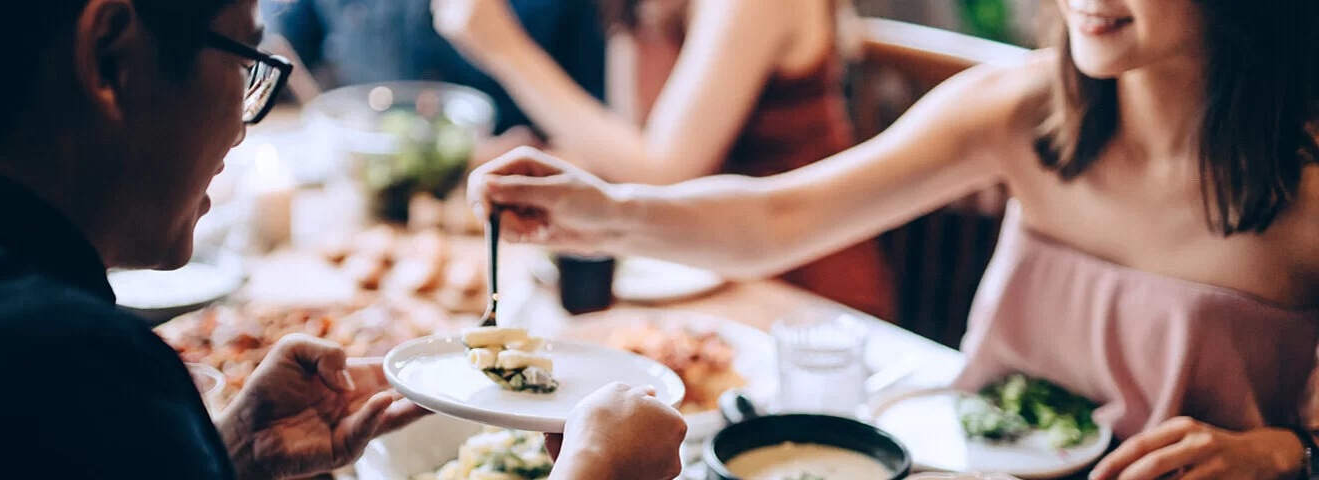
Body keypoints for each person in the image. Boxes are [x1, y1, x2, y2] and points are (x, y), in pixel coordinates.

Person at [468, 0, 1319, 477]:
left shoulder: (1310, 183)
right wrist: (603, 211)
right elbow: (781, 216)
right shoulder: (1018, 108)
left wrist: (1285, 453)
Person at [0, 0, 687, 479]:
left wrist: (224, 457)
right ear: (109, 57)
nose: (242, 121)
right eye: (243, 59)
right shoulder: (67, 373)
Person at [433, 0, 894, 319]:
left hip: (797, 282)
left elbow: (665, 171)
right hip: (697, 259)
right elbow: (632, 147)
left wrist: (504, 49)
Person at [260, 0, 607, 138]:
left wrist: (506, 48)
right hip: (366, 196)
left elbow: (604, 136)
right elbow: (277, 48)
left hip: (508, 211)